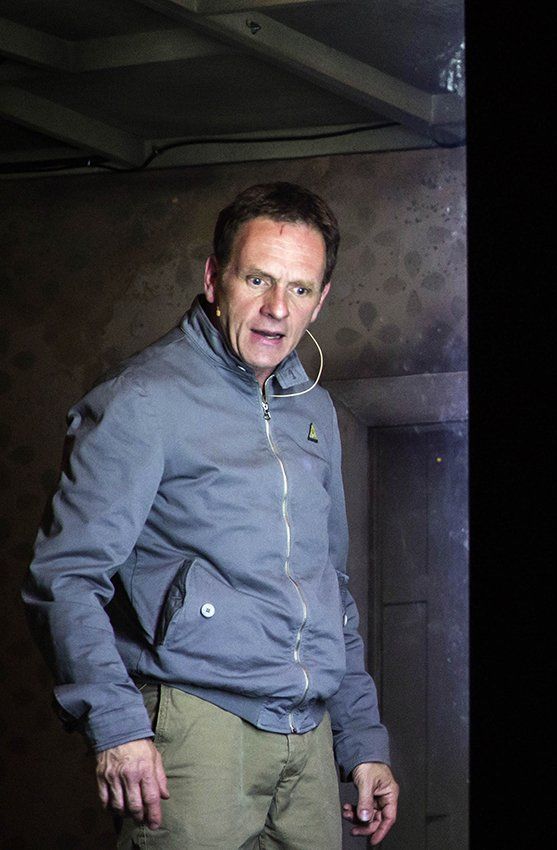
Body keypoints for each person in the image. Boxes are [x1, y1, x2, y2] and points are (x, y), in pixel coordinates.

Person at [23, 182, 400, 848]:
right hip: (195, 735)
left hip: (309, 744)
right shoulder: (142, 400)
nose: (277, 308)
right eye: (257, 279)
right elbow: (66, 576)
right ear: (213, 279)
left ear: (320, 301)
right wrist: (116, 725)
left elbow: (329, 587)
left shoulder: (313, 409)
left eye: (300, 288)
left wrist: (361, 740)